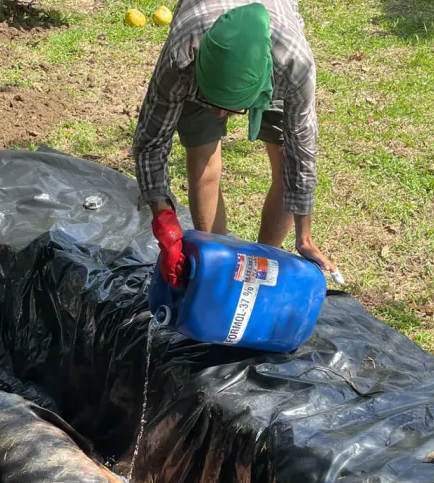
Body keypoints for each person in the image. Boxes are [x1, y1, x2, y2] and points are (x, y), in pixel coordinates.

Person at [133, 0, 341, 288]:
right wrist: (164, 222)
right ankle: (217, 263)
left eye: (231, 107)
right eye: (212, 101)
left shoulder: (293, 66)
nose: (220, 114)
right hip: (199, 39)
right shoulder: (182, 59)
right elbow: (150, 142)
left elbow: (300, 155)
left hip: (274, 55)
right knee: (202, 157)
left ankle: (259, 267)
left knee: (284, 160)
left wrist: (303, 237)